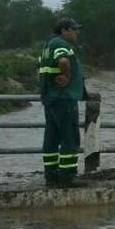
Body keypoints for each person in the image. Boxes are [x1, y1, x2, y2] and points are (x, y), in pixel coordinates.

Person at [39, 17, 86, 188]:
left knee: (51, 137)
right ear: (64, 30)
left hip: (50, 98)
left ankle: (51, 175)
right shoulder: (60, 44)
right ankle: (67, 176)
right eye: (74, 29)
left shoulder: (48, 45)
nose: (77, 32)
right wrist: (66, 76)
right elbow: (64, 61)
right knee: (69, 137)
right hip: (63, 98)